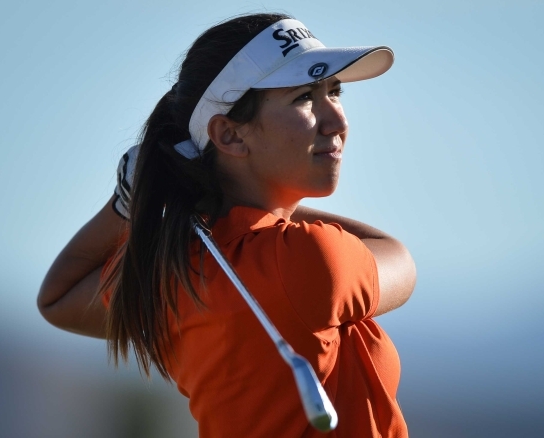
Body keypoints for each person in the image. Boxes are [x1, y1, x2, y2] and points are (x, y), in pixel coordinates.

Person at [37, 12, 416, 438]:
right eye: (305, 98)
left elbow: (58, 298)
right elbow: (399, 258)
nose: (337, 121)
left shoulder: (176, 270)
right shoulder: (306, 257)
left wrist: (130, 204)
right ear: (230, 136)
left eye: (334, 91)